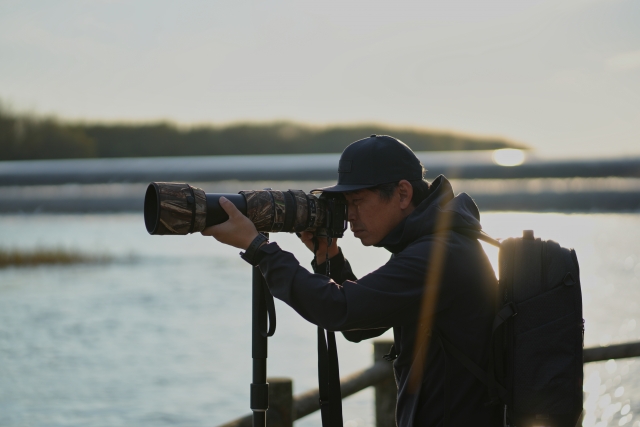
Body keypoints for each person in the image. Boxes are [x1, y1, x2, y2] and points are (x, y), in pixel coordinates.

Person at [202, 135, 501, 426]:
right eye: (346, 204)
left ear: (403, 194)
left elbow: (340, 309)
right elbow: (363, 324)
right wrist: (328, 257)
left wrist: (260, 249)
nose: (350, 216)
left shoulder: (439, 254)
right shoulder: (433, 243)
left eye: (358, 201)